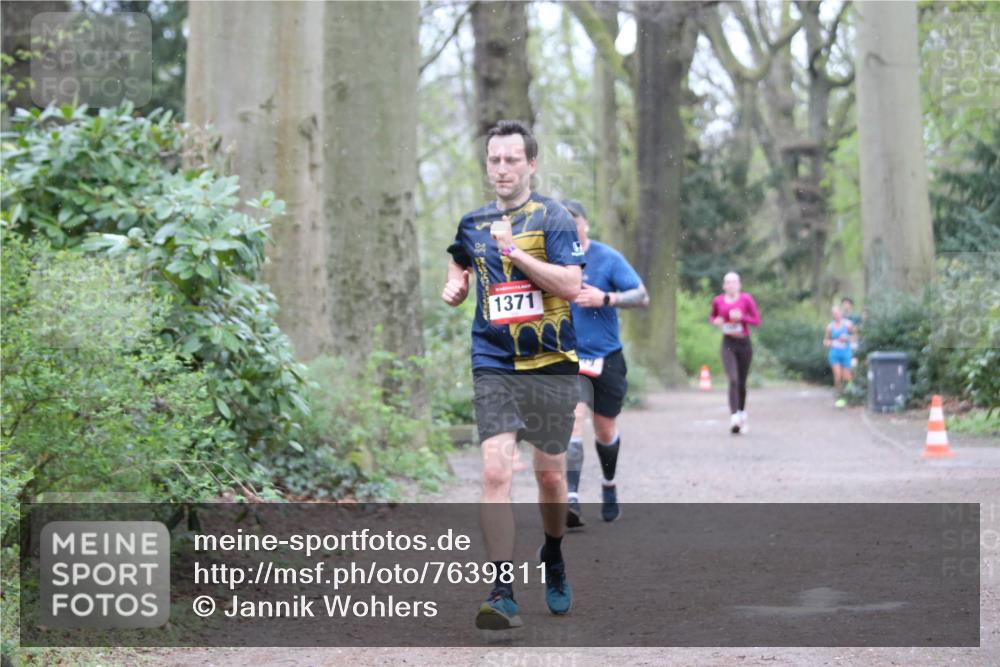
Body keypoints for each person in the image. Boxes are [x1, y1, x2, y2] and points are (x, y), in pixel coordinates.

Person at [442, 120, 585, 631]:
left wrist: (517, 254)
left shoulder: (555, 218)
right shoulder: (472, 221)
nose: (501, 168)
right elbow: (460, 261)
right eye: (494, 160)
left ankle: (552, 551)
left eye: (511, 160)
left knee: (549, 476)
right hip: (494, 361)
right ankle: (501, 591)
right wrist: (455, 284)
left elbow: (570, 285)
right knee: (496, 473)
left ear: (531, 164)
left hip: (550, 363)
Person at [561, 199, 648, 527]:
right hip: (567, 356)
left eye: (574, 222)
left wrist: (606, 298)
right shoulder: (551, 260)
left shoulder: (607, 258)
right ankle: (571, 500)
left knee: (605, 428)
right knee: (571, 419)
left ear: (586, 225)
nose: (568, 229)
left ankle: (609, 485)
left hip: (606, 356)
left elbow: (642, 295)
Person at [709, 272, 761, 434]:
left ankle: (741, 411)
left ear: (739, 284)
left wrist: (742, 318)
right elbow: (713, 317)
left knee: (742, 382)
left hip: (744, 344)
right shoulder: (718, 301)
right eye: (728, 282)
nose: (731, 285)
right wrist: (716, 321)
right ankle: (734, 417)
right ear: (724, 286)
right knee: (733, 379)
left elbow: (757, 320)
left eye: (734, 282)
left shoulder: (746, 299)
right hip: (728, 343)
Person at [824, 305, 857, 392]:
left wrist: (847, 338)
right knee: (837, 375)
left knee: (846, 376)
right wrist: (830, 343)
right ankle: (839, 395)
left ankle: (850, 394)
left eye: (837, 313)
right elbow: (825, 341)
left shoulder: (848, 324)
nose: (836, 315)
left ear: (841, 313)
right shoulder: (830, 326)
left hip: (846, 352)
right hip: (835, 353)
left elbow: (855, 337)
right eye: (834, 314)